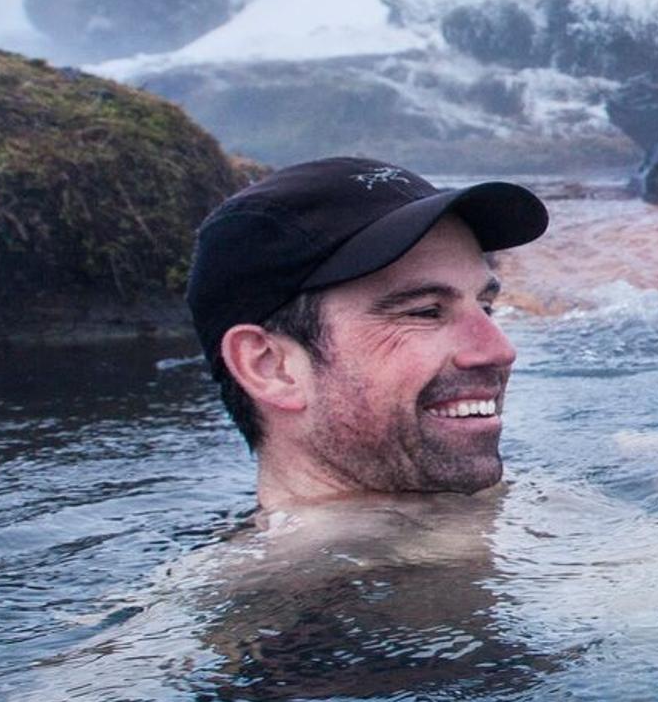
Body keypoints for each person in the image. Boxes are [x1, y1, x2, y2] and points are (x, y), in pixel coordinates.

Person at [186, 157, 554, 508]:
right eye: (426, 312)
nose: (500, 350)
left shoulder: (541, 509)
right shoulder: (280, 574)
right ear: (271, 367)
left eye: (486, 307)